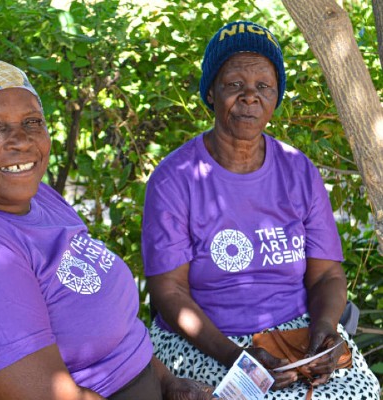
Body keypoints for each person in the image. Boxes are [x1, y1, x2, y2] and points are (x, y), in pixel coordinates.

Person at [0, 59, 217, 400]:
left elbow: (120, 330)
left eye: (32, 122)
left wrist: (169, 382)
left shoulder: (36, 197)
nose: (21, 141)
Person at [141, 20, 381, 399]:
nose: (249, 97)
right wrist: (237, 357)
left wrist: (325, 330)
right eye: (235, 84)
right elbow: (169, 293)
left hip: (295, 332)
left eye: (263, 87)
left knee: (358, 393)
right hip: (208, 341)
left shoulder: (297, 170)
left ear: (276, 96)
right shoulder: (175, 179)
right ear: (211, 92)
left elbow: (327, 276)